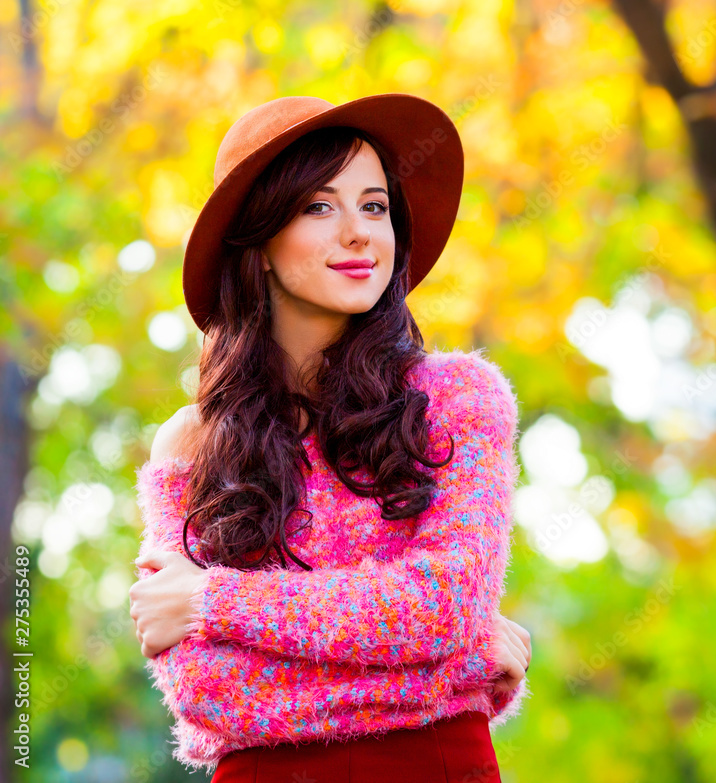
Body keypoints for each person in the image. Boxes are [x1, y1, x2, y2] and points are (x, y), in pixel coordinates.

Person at [127, 94, 532, 782]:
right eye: (319, 206)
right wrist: (452, 664)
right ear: (256, 244)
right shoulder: (193, 443)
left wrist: (211, 601)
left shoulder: (458, 398)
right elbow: (206, 689)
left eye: (374, 207)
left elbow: (444, 604)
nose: (358, 233)